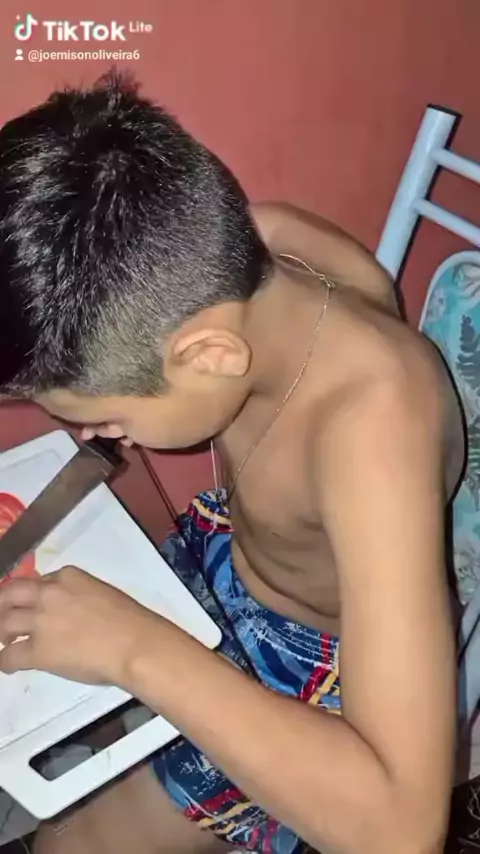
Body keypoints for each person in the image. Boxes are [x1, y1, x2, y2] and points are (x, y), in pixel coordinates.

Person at [0, 72, 463, 854]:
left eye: (108, 416)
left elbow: (402, 831)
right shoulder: (263, 240)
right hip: (230, 552)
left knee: (68, 845)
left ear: (209, 356)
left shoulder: (374, 437)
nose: (101, 435)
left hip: (310, 667)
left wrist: (135, 648)